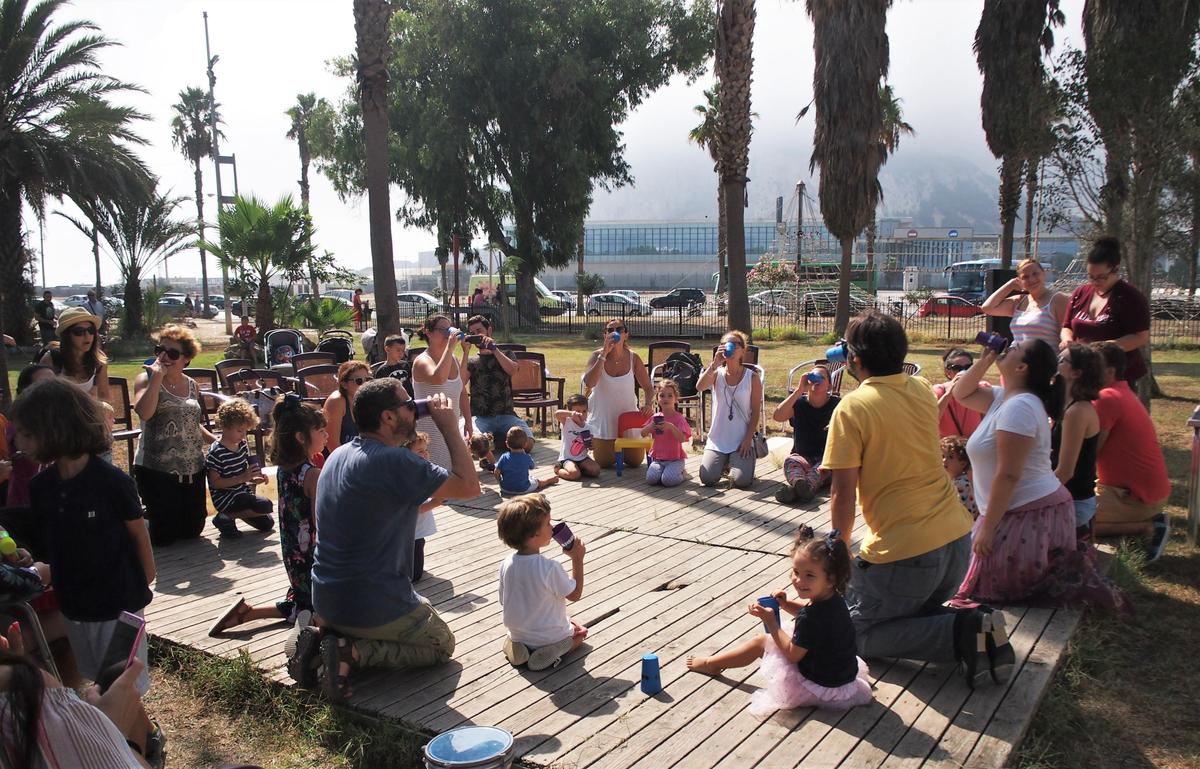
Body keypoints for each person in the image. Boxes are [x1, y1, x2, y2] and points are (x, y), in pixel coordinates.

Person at [821, 310, 1009, 690]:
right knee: (911, 608)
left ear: (853, 360)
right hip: (957, 544)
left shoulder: (852, 407)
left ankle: (963, 629)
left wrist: (839, 554)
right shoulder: (922, 389)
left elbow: (842, 493)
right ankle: (970, 624)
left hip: (905, 557)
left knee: (850, 632)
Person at [302, 382, 480, 700]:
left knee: (421, 604)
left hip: (326, 598)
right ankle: (353, 652)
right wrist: (450, 425)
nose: (415, 409)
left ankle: (328, 639)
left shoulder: (338, 456)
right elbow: (469, 487)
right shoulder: (393, 462)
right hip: (371, 602)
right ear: (387, 417)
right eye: (409, 405)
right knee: (441, 642)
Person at [951, 338, 1126, 610]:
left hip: (1027, 512)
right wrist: (985, 360)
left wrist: (988, 527)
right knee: (972, 580)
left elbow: (1008, 474)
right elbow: (960, 393)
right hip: (1012, 509)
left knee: (985, 589)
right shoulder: (1002, 397)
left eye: (1016, 348)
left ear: (1022, 367)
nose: (1010, 346)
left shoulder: (1019, 407)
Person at [11, 380, 156, 696]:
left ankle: (141, 743)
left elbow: (137, 531)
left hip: (119, 604)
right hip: (76, 606)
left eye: (25, 432)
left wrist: (145, 578)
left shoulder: (111, 482)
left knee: (124, 687)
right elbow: (53, 543)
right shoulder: (42, 488)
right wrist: (30, 557)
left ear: (55, 428)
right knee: (96, 678)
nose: (17, 440)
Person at [686, 526, 873, 716]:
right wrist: (785, 604)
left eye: (810, 575)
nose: (799, 580)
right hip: (843, 680)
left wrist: (771, 623)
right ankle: (713, 662)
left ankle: (711, 664)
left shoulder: (812, 618)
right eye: (796, 572)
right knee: (790, 630)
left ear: (831, 578)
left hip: (819, 686)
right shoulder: (835, 599)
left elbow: (793, 655)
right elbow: (808, 615)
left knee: (761, 641)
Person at [211, 396, 326, 674]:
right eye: (320, 430)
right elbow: (319, 525)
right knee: (324, 610)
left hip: (292, 556)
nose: (325, 435)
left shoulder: (286, 471)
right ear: (301, 437)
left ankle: (249, 613)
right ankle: (308, 646)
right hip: (312, 557)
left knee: (301, 600)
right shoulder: (313, 475)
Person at [132, 326, 212, 547]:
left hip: (191, 468)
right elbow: (144, 412)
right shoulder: (145, 379)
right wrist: (157, 378)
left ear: (186, 358)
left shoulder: (192, 385)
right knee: (164, 537)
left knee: (192, 531)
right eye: (160, 350)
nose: (164, 357)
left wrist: (217, 442)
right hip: (157, 468)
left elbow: (193, 424)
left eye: (172, 353)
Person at [1090, 341, 1172, 558]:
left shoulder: (1105, 398)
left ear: (1109, 371)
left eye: (1091, 365)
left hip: (1133, 498)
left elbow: (1089, 454)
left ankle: (1147, 527)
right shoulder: (1120, 392)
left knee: (1064, 519)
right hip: (1144, 493)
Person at [497, 493, 588, 671]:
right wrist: (577, 559)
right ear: (534, 535)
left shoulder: (506, 564)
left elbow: (503, 600)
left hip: (519, 635)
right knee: (580, 634)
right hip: (550, 637)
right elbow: (575, 595)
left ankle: (516, 648)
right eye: (547, 523)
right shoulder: (549, 567)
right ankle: (557, 649)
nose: (552, 528)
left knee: (524, 634)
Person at [1060, 236, 1151, 389]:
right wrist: (1067, 338)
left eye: (1102, 277)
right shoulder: (1080, 293)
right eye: (1091, 277)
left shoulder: (1130, 298)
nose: (1095, 282)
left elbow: (1140, 337)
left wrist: (1102, 348)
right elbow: (1067, 325)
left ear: (1116, 270)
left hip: (1115, 377)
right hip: (1081, 373)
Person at [582, 319, 653, 469]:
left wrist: (647, 404)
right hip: (604, 422)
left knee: (635, 462)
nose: (614, 332)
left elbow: (648, 387)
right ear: (605, 335)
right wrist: (604, 354)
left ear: (626, 335)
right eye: (610, 330)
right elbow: (590, 383)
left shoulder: (634, 358)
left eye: (619, 329)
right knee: (604, 462)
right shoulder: (596, 356)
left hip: (628, 422)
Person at [1051, 344, 1104, 542]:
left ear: (1076, 373)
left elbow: (1065, 472)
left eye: (1062, 360)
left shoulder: (1077, 411)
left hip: (1074, 503)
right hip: (1064, 496)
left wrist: (1031, 496)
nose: (1056, 361)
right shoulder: (1065, 405)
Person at [697, 330, 762, 489]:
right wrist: (714, 364)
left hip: (741, 440)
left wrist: (747, 439)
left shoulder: (751, 377)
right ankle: (724, 462)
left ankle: (737, 462)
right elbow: (699, 387)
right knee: (707, 478)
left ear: (742, 350)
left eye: (734, 344)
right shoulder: (716, 373)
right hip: (718, 440)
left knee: (742, 481)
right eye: (725, 344)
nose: (729, 348)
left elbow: (755, 411)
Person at [205, 399, 276, 538]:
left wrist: (255, 478)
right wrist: (243, 478)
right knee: (264, 505)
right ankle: (225, 516)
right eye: (239, 431)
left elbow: (244, 474)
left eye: (245, 431)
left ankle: (227, 519)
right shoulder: (216, 452)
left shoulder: (242, 445)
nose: (243, 435)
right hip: (225, 497)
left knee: (267, 524)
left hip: (241, 492)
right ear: (225, 426)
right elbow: (215, 483)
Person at [464, 314, 534, 454]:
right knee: (472, 445)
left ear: (489, 331)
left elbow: (512, 370)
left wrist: (494, 349)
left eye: (479, 331)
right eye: (472, 334)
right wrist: (465, 352)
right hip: (480, 416)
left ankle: (495, 441)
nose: (477, 336)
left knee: (528, 444)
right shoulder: (471, 361)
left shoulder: (506, 354)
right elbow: (459, 382)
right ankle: (495, 442)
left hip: (506, 415)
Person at [412, 315, 473, 472]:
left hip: (451, 430)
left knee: (454, 478)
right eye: (443, 330)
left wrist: (468, 421)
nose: (448, 334)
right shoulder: (422, 360)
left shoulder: (452, 358)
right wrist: (450, 347)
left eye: (449, 329)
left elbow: (461, 392)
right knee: (436, 480)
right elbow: (438, 378)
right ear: (428, 332)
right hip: (430, 434)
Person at [773, 363, 838, 504]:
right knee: (791, 462)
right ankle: (800, 486)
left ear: (829, 386)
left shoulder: (837, 405)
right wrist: (799, 390)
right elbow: (778, 416)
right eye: (813, 377)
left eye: (821, 377)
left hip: (827, 459)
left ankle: (798, 490)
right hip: (802, 457)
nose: (816, 380)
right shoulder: (799, 403)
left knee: (822, 469)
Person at [980, 257, 1068, 348]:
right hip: (1016, 359)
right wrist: (1010, 285)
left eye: (1035, 274)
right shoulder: (1019, 301)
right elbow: (987, 308)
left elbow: (1066, 331)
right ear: (1019, 280)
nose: (1032, 279)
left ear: (1043, 273)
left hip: (1045, 359)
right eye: (1025, 277)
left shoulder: (1058, 299)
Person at [38, 306, 110, 403]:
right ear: (67, 336)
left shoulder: (99, 361)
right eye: (79, 332)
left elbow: (104, 397)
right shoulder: (51, 359)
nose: (87, 336)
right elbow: (40, 399)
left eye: (91, 330)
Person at [641, 380, 692, 487]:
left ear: (675, 399)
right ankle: (665, 473)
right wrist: (650, 426)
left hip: (675, 460)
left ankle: (682, 474)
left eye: (670, 396)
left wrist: (671, 427)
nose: (666, 399)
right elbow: (642, 433)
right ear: (657, 399)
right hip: (658, 460)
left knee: (668, 481)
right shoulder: (656, 417)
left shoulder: (679, 418)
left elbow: (682, 439)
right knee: (651, 479)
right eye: (662, 396)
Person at [405, 431, 441, 582]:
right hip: (410, 533)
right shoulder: (407, 478)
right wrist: (435, 503)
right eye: (420, 451)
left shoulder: (419, 472)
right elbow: (413, 510)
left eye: (426, 450)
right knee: (414, 575)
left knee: (419, 547)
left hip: (417, 533)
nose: (425, 454)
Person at [931, 347, 990, 438]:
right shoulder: (939, 391)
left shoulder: (982, 388)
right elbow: (930, 420)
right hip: (948, 448)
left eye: (968, 367)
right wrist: (949, 393)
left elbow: (992, 422)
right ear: (947, 372)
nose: (963, 371)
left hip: (973, 447)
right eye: (957, 368)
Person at [322, 360, 370, 455]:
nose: (364, 384)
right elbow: (332, 444)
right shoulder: (337, 402)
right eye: (359, 381)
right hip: (338, 459)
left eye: (368, 380)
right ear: (344, 384)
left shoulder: (367, 400)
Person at [495, 426, 559, 494]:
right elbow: (532, 466)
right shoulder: (526, 457)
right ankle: (548, 481)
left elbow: (496, 472)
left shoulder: (504, 457)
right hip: (524, 489)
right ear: (525, 444)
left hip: (505, 489)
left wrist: (499, 481)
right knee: (537, 481)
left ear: (507, 444)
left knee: (528, 478)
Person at [554, 394, 600, 481]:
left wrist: (592, 445)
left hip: (582, 458)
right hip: (567, 458)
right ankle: (558, 470)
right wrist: (571, 414)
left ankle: (579, 469)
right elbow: (557, 414)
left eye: (584, 411)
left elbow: (592, 446)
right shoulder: (567, 422)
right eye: (578, 411)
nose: (581, 414)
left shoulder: (589, 428)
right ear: (571, 412)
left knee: (596, 470)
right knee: (574, 475)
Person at [941, 436, 979, 520]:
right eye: (942, 456)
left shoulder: (961, 484)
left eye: (950, 457)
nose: (944, 460)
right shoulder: (955, 481)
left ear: (963, 463)